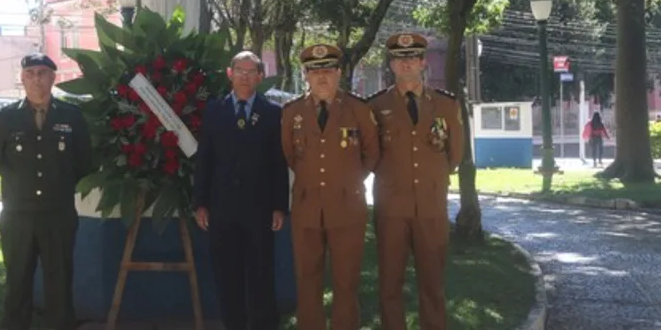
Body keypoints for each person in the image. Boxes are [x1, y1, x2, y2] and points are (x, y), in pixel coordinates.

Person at [0, 53, 92, 330]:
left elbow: (84, 162)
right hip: (18, 215)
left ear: (53, 78)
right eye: (31, 73)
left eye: (43, 73)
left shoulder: (71, 116)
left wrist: (57, 184)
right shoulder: (7, 117)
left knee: (59, 284)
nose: (37, 79)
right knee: (17, 283)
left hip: (57, 214)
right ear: (22, 78)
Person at [368, 32, 464, 330]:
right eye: (399, 58)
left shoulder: (446, 105)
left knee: (433, 283)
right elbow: (370, 154)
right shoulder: (374, 105)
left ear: (423, 62)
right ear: (391, 65)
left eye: (412, 58)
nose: (406, 64)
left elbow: (455, 154)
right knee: (389, 285)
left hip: (431, 206)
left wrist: (429, 179)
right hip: (391, 207)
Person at [280, 43, 380, 330]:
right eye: (314, 71)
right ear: (306, 75)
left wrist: (348, 180)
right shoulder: (291, 112)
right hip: (307, 206)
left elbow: (372, 153)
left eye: (327, 70)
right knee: (307, 278)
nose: (321, 77)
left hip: (347, 206)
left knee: (346, 280)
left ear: (339, 73)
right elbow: (289, 154)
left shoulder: (359, 110)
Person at [193, 51, 289, 330]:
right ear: (230, 74)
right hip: (222, 210)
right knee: (227, 277)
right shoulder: (214, 110)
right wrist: (200, 202)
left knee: (261, 276)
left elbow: (277, 163)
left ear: (260, 76)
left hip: (259, 211)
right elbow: (205, 159)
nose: (245, 76)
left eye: (251, 71)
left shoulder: (272, 113)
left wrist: (279, 206)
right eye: (240, 70)